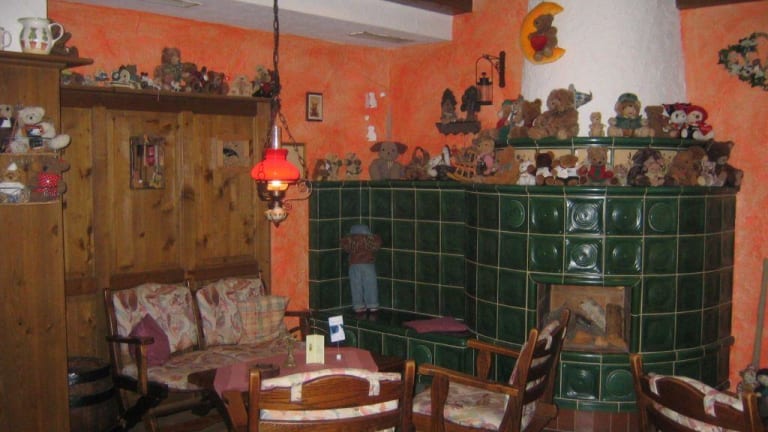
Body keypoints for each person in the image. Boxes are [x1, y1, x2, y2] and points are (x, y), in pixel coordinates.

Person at [340, 224, 382, 315]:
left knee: (356, 286)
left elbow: (345, 247)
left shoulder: (350, 239)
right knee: (371, 285)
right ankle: (373, 305)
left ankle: (358, 306)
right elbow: (377, 245)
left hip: (354, 265)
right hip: (368, 264)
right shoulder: (370, 239)